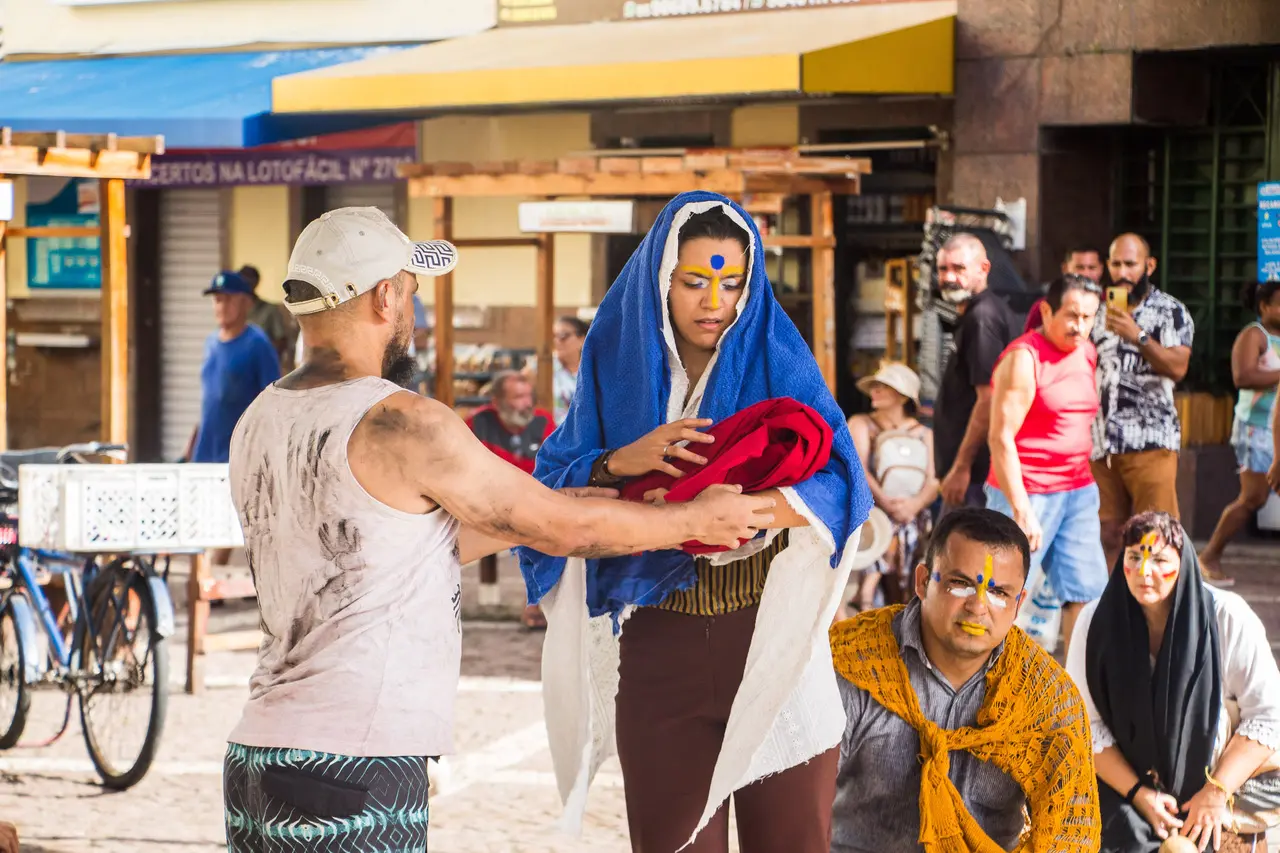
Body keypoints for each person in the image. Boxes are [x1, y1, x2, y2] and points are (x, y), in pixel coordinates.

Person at [221, 206, 774, 853]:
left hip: (257, 754)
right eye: (412, 296)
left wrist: (563, 500)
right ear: (383, 296)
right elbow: (560, 528)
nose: (415, 316)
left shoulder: (260, 418)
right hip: (355, 758)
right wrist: (693, 519)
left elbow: (410, 546)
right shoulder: (402, 422)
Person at [521, 194, 871, 853]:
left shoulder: (776, 354)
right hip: (660, 651)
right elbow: (547, 485)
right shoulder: (613, 358)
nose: (716, 300)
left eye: (732, 282)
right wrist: (618, 460)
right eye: (695, 281)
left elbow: (841, 477)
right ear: (661, 278)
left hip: (771, 643)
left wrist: (747, 512)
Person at [830, 507, 1101, 852]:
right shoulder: (853, 660)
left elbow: (1072, 833)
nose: (978, 606)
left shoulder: (1045, 695)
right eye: (960, 584)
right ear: (923, 581)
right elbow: (803, 804)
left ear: (1019, 604)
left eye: (999, 592)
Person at [1067, 511, 1280, 853]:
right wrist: (1139, 794)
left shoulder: (1228, 617)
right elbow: (1082, 724)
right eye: (1134, 557)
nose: (1144, 572)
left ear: (1184, 564)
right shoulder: (1095, 623)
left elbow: (1269, 716)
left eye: (1159, 559)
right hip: (1126, 784)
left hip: (1219, 782)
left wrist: (1215, 793)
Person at [986, 274, 1107, 659]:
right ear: (1047, 311)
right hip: (1027, 490)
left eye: (1089, 317)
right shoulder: (1024, 358)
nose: (1080, 326)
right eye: (1072, 315)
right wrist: (1022, 509)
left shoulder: (1087, 353)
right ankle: (979, 692)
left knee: (1087, 597)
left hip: (1077, 490)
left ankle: (1080, 697)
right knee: (997, 595)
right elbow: (1000, 437)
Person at [1092, 233, 1194, 568]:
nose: (1122, 272)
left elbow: (1178, 367)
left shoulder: (1170, 311)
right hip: (1101, 444)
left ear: (1149, 266)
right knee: (1107, 535)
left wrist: (1137, 335)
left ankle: (1163, 613)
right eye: (1116, 263)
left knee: (1155, 536)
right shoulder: (1095, 310)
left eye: (1130, 264)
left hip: (1150, 442)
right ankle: (1114, 612)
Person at [1199, 281, 1280, 586]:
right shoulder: (1255, 335)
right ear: (1264, 307)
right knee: (1253, 498)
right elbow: (1243, 376)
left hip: (1277, 429)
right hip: (1255, 430)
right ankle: (1209, 556)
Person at [933, 233, 1019, 513]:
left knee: (965, 556)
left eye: (959, 269)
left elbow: (988, 398)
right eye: (943, 269)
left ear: (983, 269)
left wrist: (962, 467)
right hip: (972, 476)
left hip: (977, 478)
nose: (949, 277)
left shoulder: (983, 318)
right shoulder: (974, 313)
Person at [466, 371, 557, 629]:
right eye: (518, 397)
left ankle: (536, 603)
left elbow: (549, 469)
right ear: (497, 401)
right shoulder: (477, 424)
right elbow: (474, 471)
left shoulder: (543, 421)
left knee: (548, 525)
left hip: (532, 500)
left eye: (528, 396)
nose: (526, 403)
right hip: (488, 503)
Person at [846, 362, 937, 609]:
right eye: (874, 386)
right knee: (884, 534)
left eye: (883, 387)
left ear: (901, 395)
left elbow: (933, 480)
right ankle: (867, 598)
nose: (874, 391)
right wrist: (887, 504)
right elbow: (859, 470)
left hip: (911, 513)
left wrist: (913, 506)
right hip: (874, 510)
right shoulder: (862, 424)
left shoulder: (923, 433)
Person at [184, 270, 280, 466]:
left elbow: (273, 404)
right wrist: (191, 445)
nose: (221, 306)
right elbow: (210, 402)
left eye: (228, 300)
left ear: (246, 303)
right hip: (205, 455)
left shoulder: (257, 344)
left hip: (239, 458)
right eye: (217, 300)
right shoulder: (210, 343)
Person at [1023, 247, 1105, 334]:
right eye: (1079, 267)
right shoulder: (1045, 306)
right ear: (1065, 268)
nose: (1085, 274)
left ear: (1101, 269)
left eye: (1091, 268)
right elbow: (1031, 340)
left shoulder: (1110, 303)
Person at [239, 264, 296, 371]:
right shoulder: (235, 311)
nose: (246, 284)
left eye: (249, 280)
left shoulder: (269, 310)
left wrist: (265, 358)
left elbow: (281, 341)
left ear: (256, 282)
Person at [552, 315, 588, 424]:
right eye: (553, 336)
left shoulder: (592, 370)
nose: (557, 341)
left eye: (563, 336)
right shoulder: (543, 367)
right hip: (552, 434)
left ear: (582, 339)